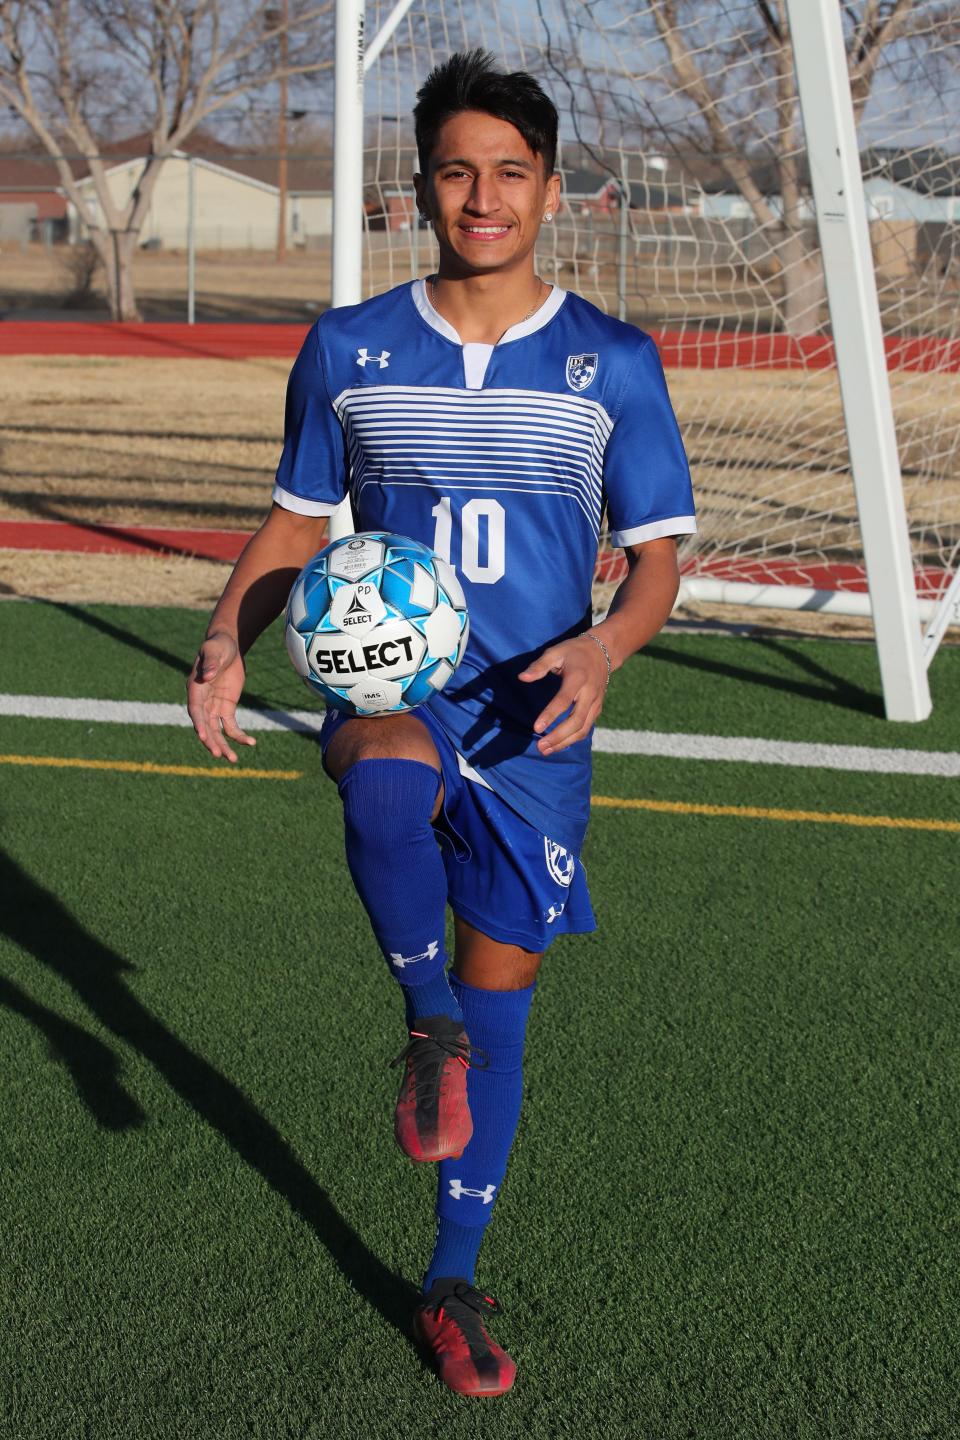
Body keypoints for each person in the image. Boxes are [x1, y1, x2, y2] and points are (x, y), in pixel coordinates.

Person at [187, 50, 695, 1398]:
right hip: (393, 690)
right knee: (381, 786)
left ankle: (452, 1277)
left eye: (510, 172)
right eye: (458, 169)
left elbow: (654, 558)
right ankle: (427, 1026)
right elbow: (301, 521)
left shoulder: (616, 365)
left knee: (506, 1002)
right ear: (422, 184)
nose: (483, 196)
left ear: (550, 189)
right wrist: (226, 637)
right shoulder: (350, 347)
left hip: (539, 719)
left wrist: (604, 645)